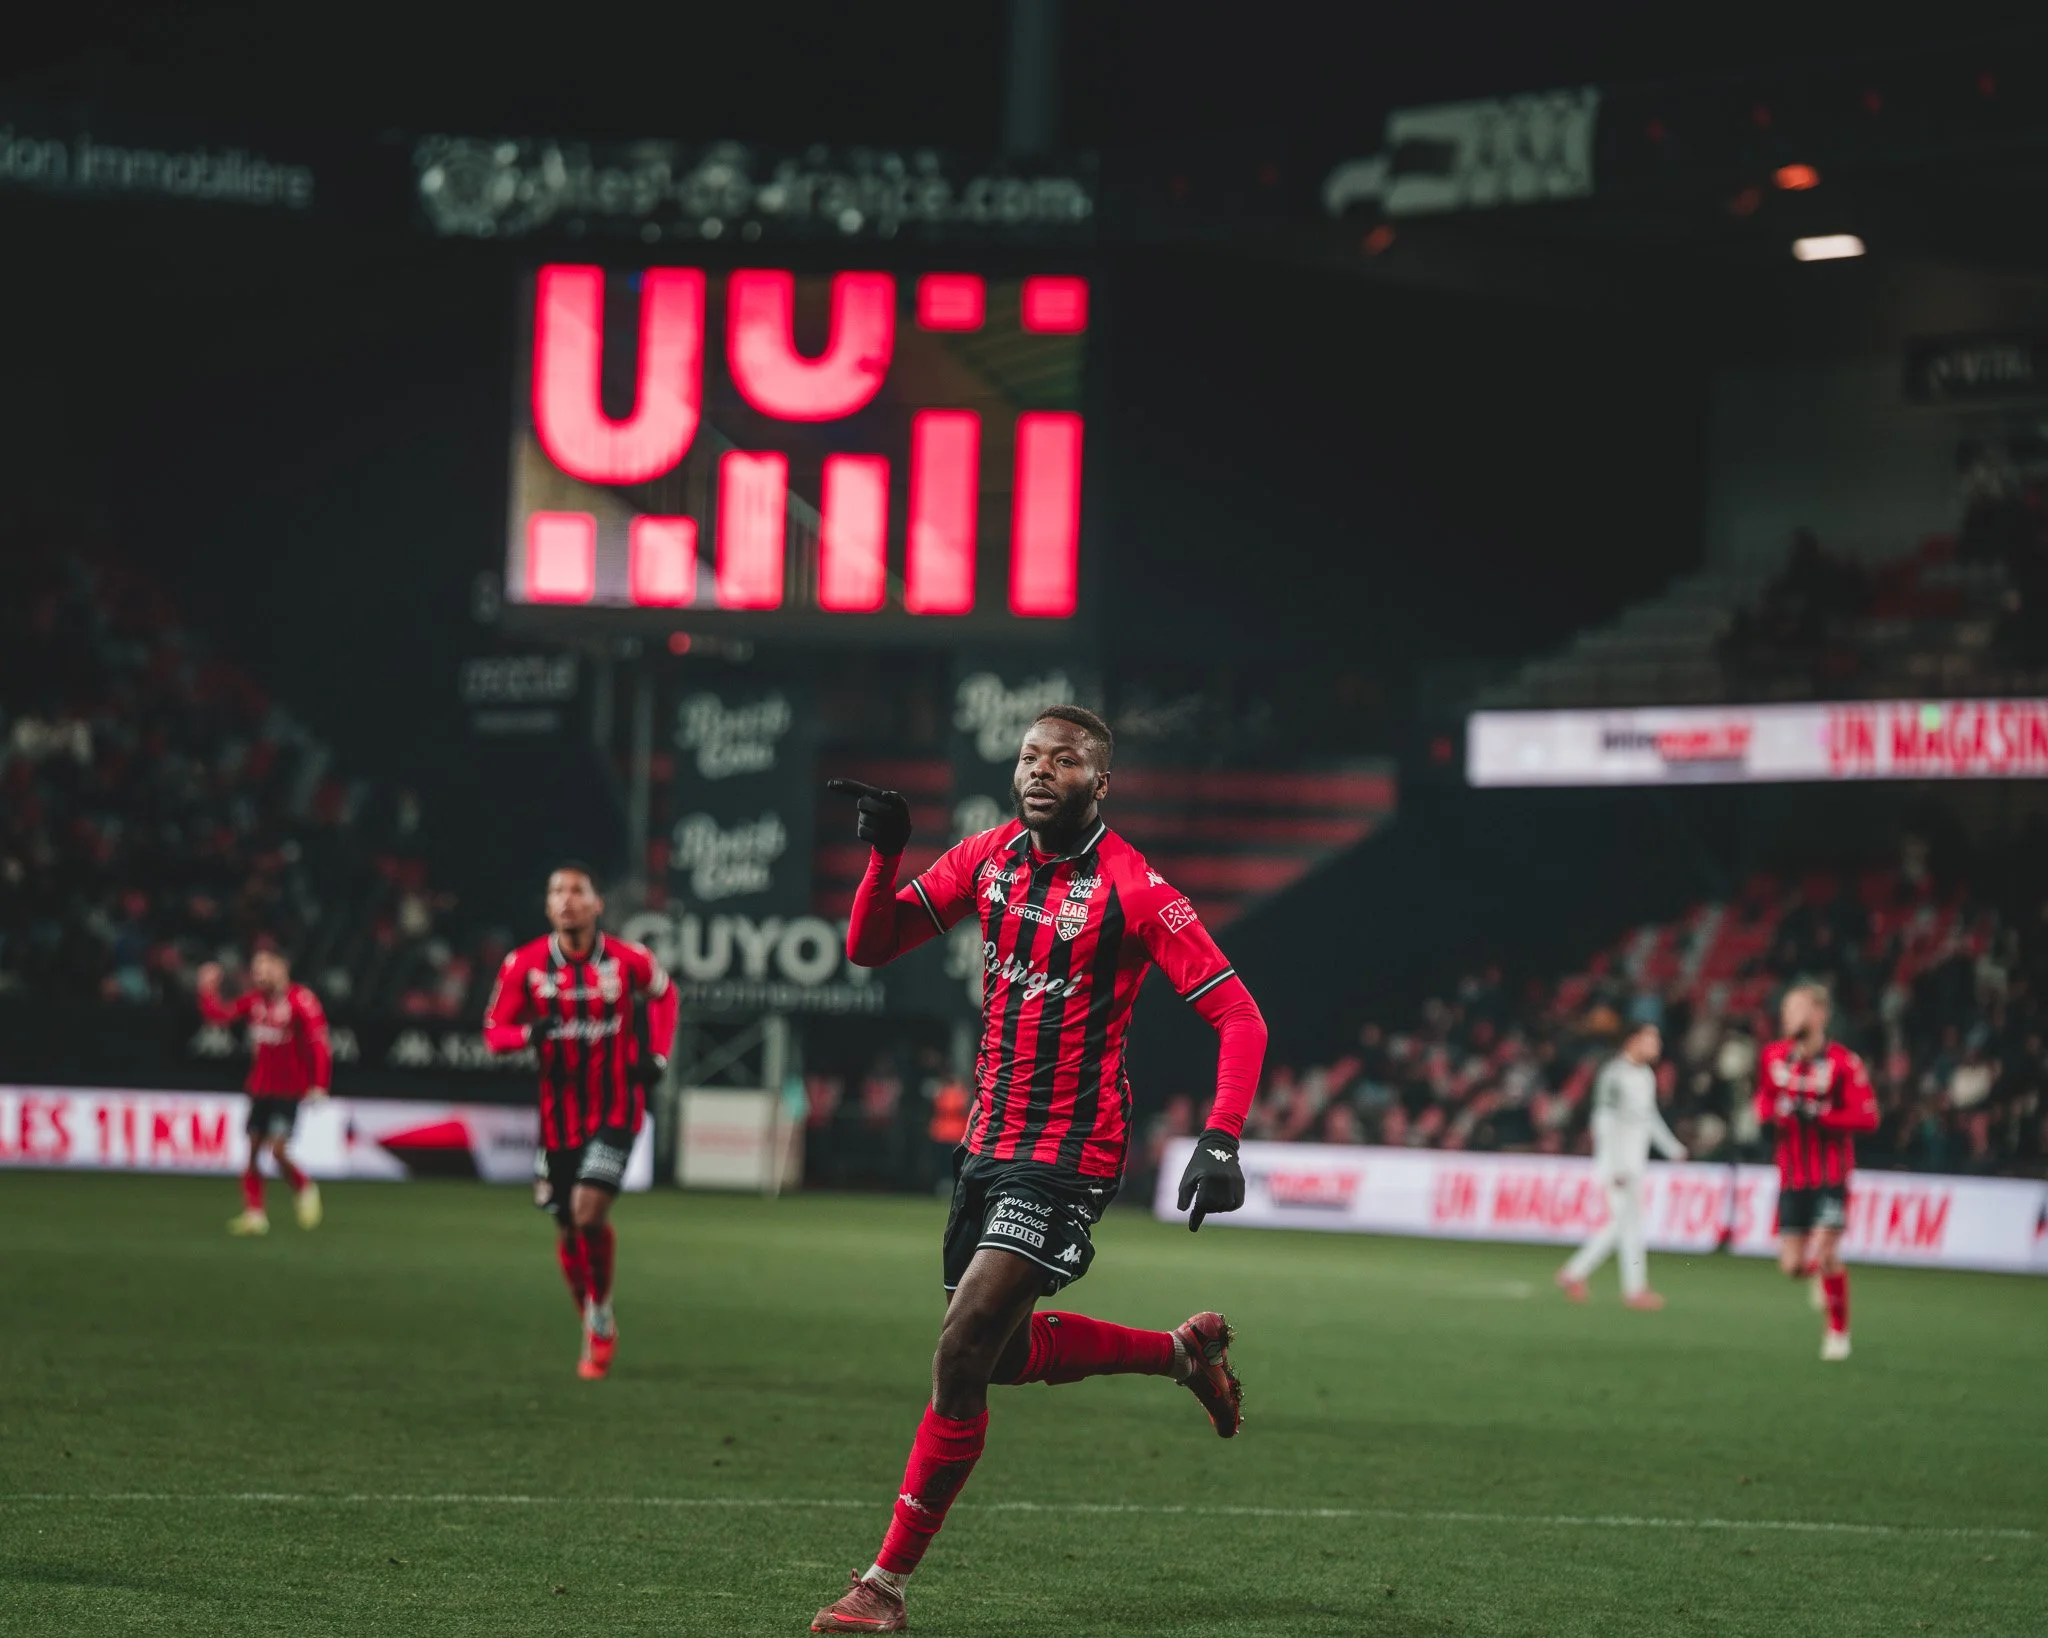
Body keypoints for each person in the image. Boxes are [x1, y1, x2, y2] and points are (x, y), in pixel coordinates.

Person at [810, 706, 1267, 1634]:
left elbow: (1240, 1016)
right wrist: (885, 858)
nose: (1040, 771)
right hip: (988, 1145)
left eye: (1063, 760)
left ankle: (883, 1588)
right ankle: (1185, 1355)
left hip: (1068, 1154)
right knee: (1003, 1354)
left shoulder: (1136, 888)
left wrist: (1221, 1137)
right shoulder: (987, 858)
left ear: (1100, 783)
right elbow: (871, 945)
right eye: (1029, 757)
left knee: (960, 1349)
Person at [482, 862, 678, 1380]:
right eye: (557, 892)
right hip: (558, 1121)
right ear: (548, 906)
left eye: (577, 891)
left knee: (588, 1214)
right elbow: (494, 1032)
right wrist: (527, 1035)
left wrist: (658, 1054)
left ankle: (601, 1313)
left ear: (597, 904)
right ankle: (593, 1314)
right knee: (569, 1230)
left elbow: (665, 994)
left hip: (617, 1108)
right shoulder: (524, 964)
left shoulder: (628, 960)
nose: (567, 899)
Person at [1755, 983, 1878, 1361]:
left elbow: (1868, 1117)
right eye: (1786, 1010)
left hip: (1831, 1175)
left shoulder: (1844, 1063)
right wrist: (1770, 1114)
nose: (1787, 1016)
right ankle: (1821, 1280)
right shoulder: (1774, 1056)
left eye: (1796, 1009)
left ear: (1819, 1014)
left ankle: (1837, 1333)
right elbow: (1763, 1099)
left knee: (1825, 1253)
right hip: (1792, 1175)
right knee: (1793, 1266)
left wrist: (1823, 1117)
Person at [198, 948, 331, 1237]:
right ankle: (254, 1215)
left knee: (278, 1150)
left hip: (289, 1090)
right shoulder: (255, 1001)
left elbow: (319, 1044)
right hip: (260, 1088)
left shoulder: (301, 1001)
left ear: (281, 968)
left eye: (264, 968)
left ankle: (304, 1186)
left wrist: (319, 1084)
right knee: (253, 1151)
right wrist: (207, 989)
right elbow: (221, 1016)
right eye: (256, 968)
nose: (258, 974)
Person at [1555, 1021, 1686, 1308]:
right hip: (1617, 1165)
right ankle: (1619, 1285)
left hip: (1634, 1164)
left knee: (1627, 1224)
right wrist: (1614, 1166)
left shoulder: (1646, 1076)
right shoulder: (1614, 1074)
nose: (1657, 1045)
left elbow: (1649, 1118)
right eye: (1651, 1039)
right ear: (1633, 1041)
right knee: (1625, 1224)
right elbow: (1602, 1121)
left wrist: (1672, 1148)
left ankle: (1580, 1275)